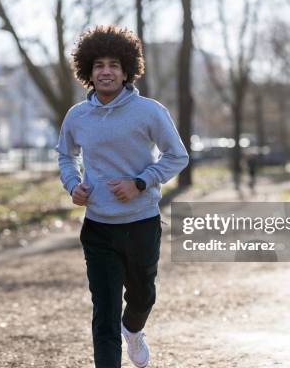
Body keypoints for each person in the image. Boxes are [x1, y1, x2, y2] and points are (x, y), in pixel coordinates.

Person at [55, 25, 189, 368]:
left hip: (141, 223)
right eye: (98, 64)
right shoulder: (77, 116)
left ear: (127, 70)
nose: (106, 71)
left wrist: (141, 183)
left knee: (143, 297)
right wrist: (73, 185)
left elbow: (177, 156)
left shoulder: (149, 111)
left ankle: (134, 330)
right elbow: (65, 156)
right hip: (98, 227)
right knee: (104, 312)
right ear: (88, 71)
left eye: (114, 64)